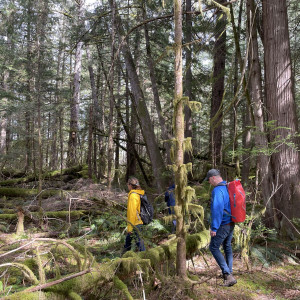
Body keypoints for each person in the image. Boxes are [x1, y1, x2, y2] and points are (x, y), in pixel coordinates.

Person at [204, 169, 237, 287]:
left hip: (223, 224)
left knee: (213, 247)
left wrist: (214, 228)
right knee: (227, 246)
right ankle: (229, 272)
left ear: (213, 178)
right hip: (231, 222)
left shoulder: (217, 190)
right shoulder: (227, 187)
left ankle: (227, 275)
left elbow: (217, 209)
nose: (209, 183)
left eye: (208, 180)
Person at [122, 177, 145, 254]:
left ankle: (145, 260)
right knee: (129, 242)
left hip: (135, 223)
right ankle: (123, 259)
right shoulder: (138, 193)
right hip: (136, 222)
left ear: (130, 185)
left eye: (127, 184)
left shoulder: (133, 195)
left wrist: (130, 228)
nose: (127, 186)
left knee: (140, 245)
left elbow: (132, 213)